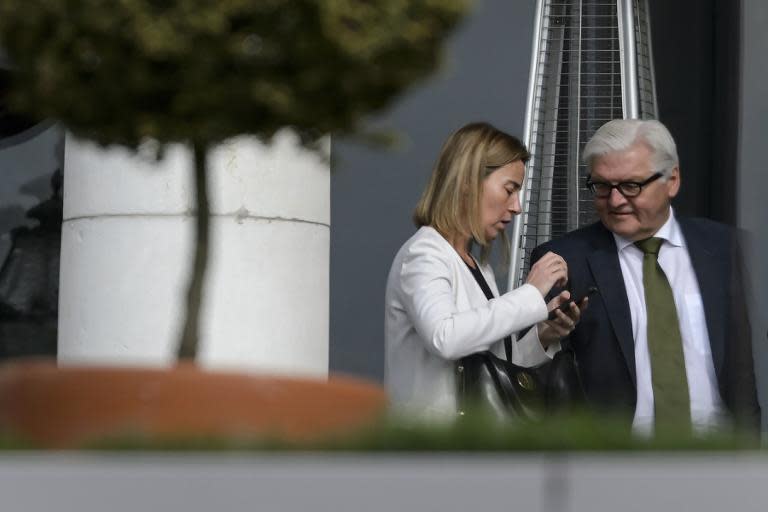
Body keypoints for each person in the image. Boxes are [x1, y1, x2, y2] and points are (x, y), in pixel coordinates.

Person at [531, 119, 761, 435]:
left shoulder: (732, 250)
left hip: (722, 453)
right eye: (601, 186)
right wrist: (544, 336)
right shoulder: (563, 259)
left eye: (630, 186)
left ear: (672, 180)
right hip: (618, 458)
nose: (614, 201)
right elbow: (536, 374)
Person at [384, 122, 585, 422]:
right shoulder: (423, 254)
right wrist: (530, 294)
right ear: (468, 182)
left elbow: (492, 365)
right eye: (509, 189)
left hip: (472, 451)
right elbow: (445, 338)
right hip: (432, 454)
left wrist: (543, 333)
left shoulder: (479, 267)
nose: (517, 207)